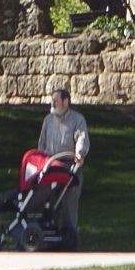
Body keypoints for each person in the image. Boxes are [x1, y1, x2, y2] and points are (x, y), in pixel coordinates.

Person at [38, 85, 91, 243]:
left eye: (56, 101)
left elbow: (81, 138)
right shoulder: (48, 120)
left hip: (69, 166)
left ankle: (70, 238)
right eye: (52, 101)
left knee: (69, 203)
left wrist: (79, 153)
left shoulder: (77, 119)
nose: (53, 104)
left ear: (66, 101)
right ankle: (49, 234)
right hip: (50, 166)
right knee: (49, 201)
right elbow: (42, 142)